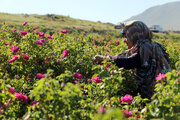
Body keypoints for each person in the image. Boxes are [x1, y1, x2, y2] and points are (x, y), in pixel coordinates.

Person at [93, 20, 171, 99]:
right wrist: (105, 58)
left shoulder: (146, 46)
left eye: (126, 36)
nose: (124, 40)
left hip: (160, 95)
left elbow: (131, 61)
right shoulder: (145, 46)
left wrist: (105, 59)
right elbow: (123, 56)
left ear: (135, 35)